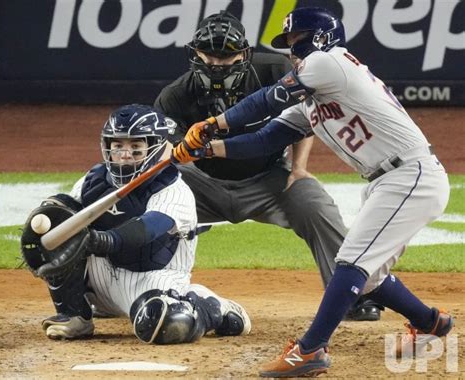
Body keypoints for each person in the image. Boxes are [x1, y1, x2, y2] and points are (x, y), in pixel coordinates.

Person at [171, 7, 454, 377]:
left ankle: (310, 349)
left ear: (319, 39)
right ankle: (430, 323)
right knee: (367, 277)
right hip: (389, 180)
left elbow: (267, 99)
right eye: (288, 44)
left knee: (351, 262)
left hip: (411, 175)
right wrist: (207, 148)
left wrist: (214, 123)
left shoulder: (329, 63)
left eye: (296, 41)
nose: (291, 50)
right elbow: (264, 138)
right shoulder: (313, 98)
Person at [155, 10, 381, 321]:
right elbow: (171, 152)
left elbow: (305, 117)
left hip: (269, 179)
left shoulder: (274, 69)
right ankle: (132, 290)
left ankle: (354, 294)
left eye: (226, 56)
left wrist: (299, 168)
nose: (216, 64)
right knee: (150, 202)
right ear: (195, 53)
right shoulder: (175, 95)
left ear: (244, 54)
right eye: (209, 55)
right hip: (202, 186)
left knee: (315, 205)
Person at [20, 104, 251, 344]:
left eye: (135, 146)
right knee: (59, 233)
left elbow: (146, 230)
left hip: (153, 280)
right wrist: (47, 223)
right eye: (118, 145)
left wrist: (96, 240)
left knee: (165, 325)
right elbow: (63, 219)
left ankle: (208, 305)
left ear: (155, 147)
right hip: (102, 278)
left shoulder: (173, 189)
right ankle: (74, 315)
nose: (124, 153)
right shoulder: (93, 181)